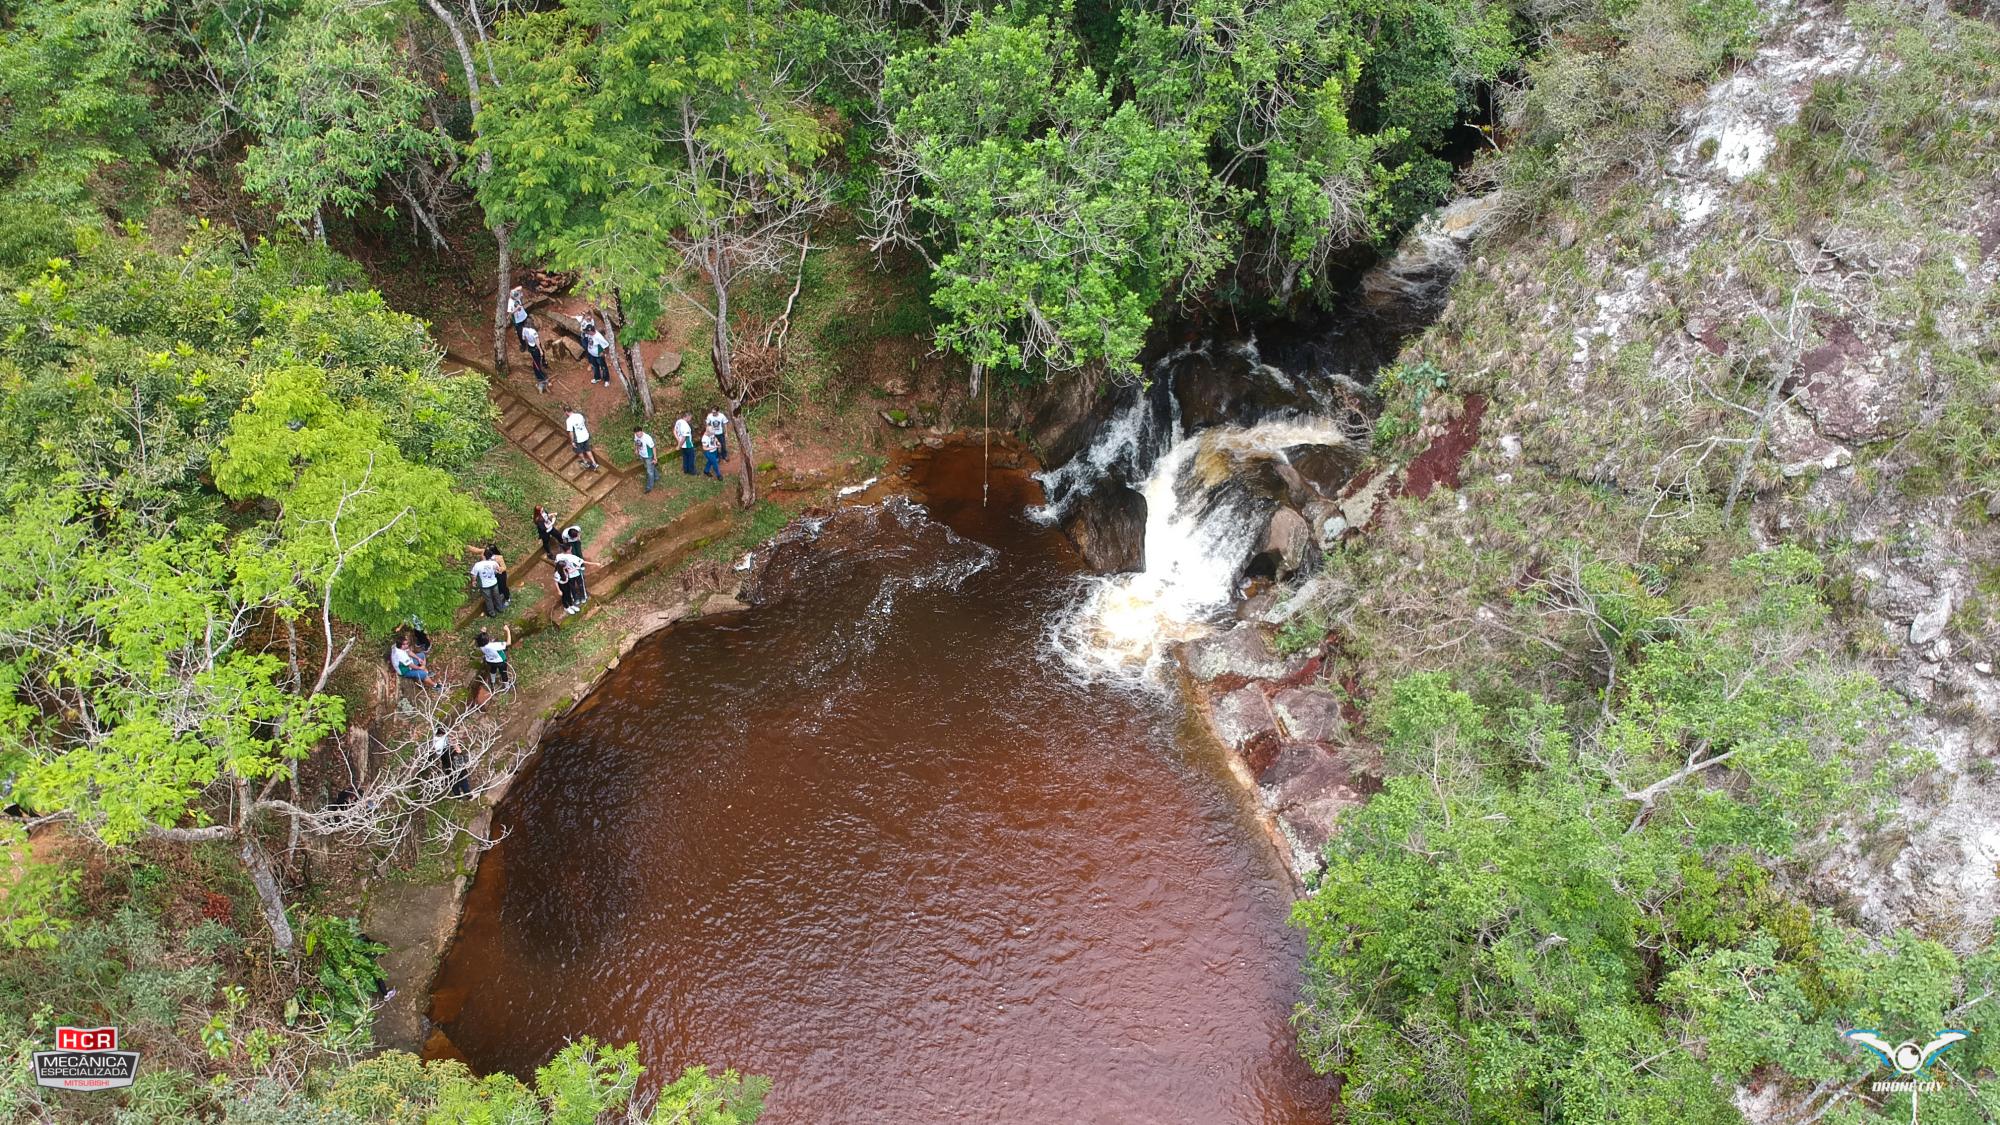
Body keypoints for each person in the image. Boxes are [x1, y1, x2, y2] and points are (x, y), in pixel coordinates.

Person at [430, 725, 471, 798]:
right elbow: (455, 747)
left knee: (454, 777)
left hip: (448, 759)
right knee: (460, 776)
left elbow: (438, 752)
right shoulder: (441, 740)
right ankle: (465, 793)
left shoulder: (436, 740)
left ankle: (460, 795)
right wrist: (458, 750)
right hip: (451, 758)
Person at [552, 548, 594, 614]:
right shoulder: (557, 573)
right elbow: (556, 582)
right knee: (564, 596)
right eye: (565, 566)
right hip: (562, 585)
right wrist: (559, 590)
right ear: (561, 568)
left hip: (567, 583)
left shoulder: (565, 570)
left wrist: (576, 568)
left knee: (569, 594)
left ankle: (571, 605)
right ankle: (566, 607)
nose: (566, 566)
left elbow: (569, 571)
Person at [476, 625, 513, 692]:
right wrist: (508, 631)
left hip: (490, 661)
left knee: (493, 669)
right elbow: (508, 643)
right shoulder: (493, 645)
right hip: (500, 661)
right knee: (503, 673)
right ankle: (507, 687)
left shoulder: (480, 645)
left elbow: (481, 639)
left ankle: (492, 682)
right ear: (487, 640)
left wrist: (483, 632)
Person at [470, 550, 506, 617]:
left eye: (481, 554)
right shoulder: (493, 563)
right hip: (494, 583)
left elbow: (474, 575)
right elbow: (498, 570)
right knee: (497, 596)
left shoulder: (477, 565)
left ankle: (492, 613)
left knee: (488, 599)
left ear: (483, 556)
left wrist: (474, 581)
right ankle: (500, 608)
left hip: (484, 586)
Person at [563, 406, 599, 470]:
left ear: (566, 412)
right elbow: (583, 423)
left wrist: (573, 441)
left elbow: (571, 432)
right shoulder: (579, 415)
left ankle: (585, 462)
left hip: (578, 439)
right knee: (588, 449)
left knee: (579, 451)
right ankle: (594, 463)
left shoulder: (569, 420)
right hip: (585, 436)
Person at [522, 323, 549, 392]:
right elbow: (537, 342)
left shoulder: (524, 329)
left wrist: (527, 346)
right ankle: (540, 377)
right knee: (537, 362)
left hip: (530, 347)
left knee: (535, 361)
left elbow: (524, 338)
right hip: (535, 348)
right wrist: (540, 350)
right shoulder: (533, 332)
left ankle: (539, 373)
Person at [634, 427, 659, 492]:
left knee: (649, 472)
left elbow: (653, 447)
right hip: (642, 455)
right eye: (637, 433)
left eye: (639, 433)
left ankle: (649, 487)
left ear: (642, 431)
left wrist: (655, 458)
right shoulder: (636, 435)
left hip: (648, 456)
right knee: (649, 467)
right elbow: (636, 442)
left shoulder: (647, 438)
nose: (638, 435)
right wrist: (636, 449)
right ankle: (656, 477)